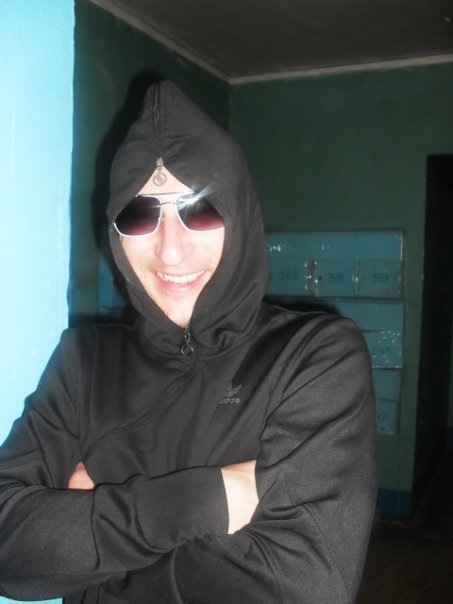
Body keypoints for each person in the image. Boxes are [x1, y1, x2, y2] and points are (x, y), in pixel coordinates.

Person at [0, 81, 377, 603]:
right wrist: (207, 500)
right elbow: (8, 549)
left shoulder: (312, 357)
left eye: (199, 209)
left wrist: (92, 541)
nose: (171, 251)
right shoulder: (84, 361)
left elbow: (303, 589)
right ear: (114, 231)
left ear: (239, 214)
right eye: (140, 214)